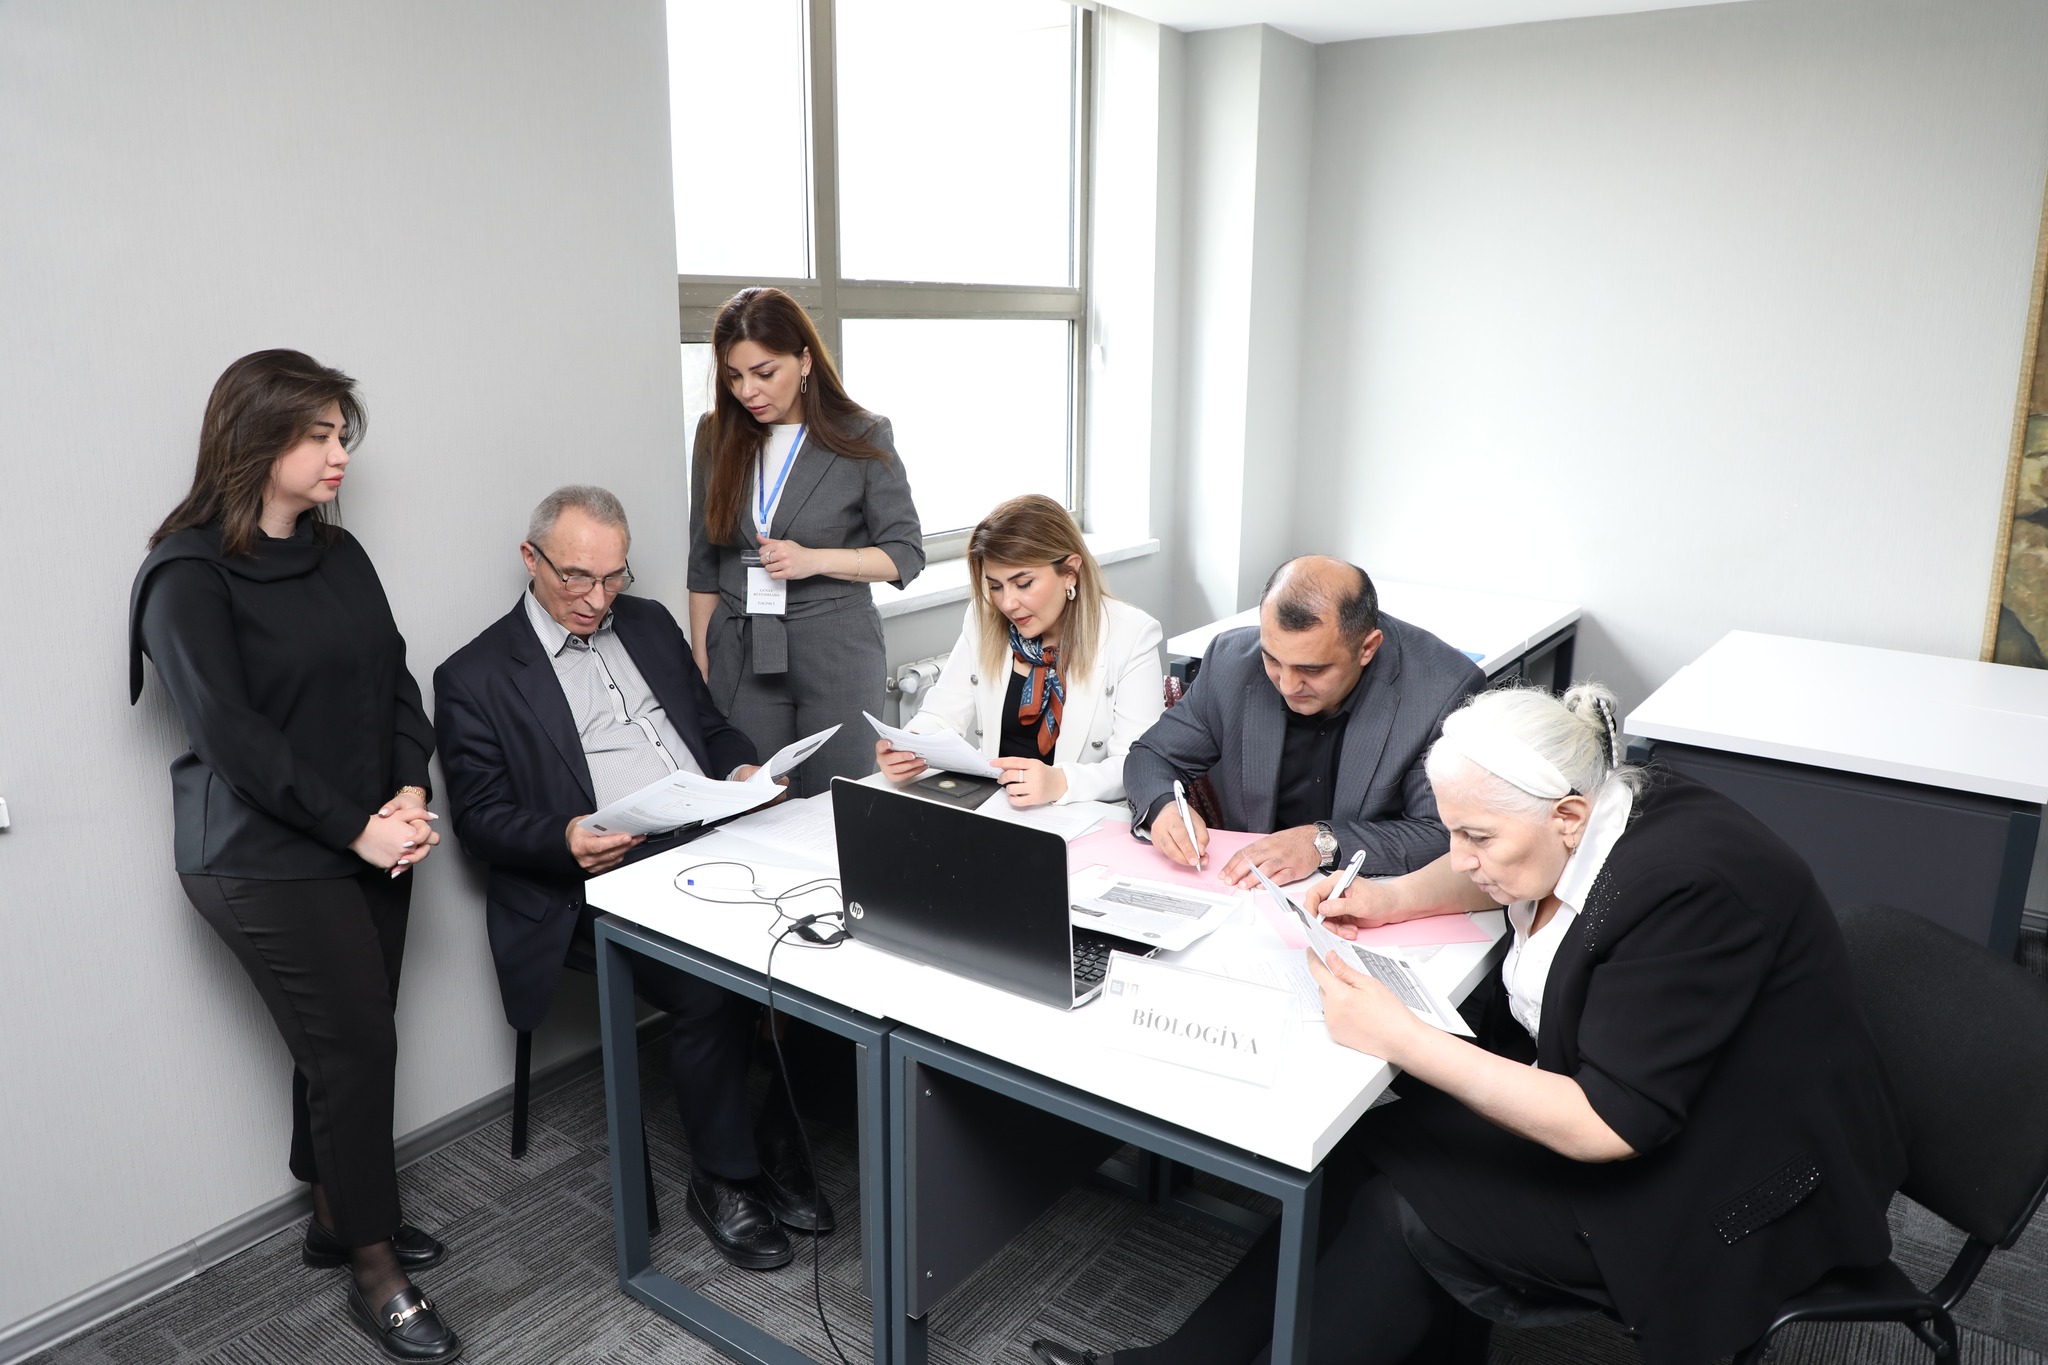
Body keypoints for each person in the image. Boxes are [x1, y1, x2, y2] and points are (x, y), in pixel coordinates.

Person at [1034, 685, 1906, 1365]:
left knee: (1406, 1214)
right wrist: (1388, 897)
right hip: (1646, 1099)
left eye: (1477, 836)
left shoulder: (1687, 888)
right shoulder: (1595, 807)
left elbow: (1612, 1123)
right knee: (1370, 1144)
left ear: (1568, 815)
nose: (1462, 856)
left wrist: (1403, 1036)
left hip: (1733, 1180)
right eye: (1454, 830)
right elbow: (1493, 860)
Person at [129, 350, 461, 1362]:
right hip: (257, 855)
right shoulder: (185, 575)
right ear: (254, 438)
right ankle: (374, 1267)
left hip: (368, 833)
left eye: (339, 434)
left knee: (346, 1041)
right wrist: (361, 829)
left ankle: (333, 1215)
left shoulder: (337, 552)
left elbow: (394, 678)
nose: (337, 454)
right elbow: (235, 738)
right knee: (354, 1048)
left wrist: (409, 791)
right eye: (316, 435)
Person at [433, 485, 834, 1273]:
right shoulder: (474, 675)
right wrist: (564, 837)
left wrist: (742, 769)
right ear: (531, 559)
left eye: (613, 576)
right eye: (577, 577)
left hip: (711, 832)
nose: (597, 598)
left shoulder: (647, 622)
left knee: (829, 931)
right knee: (712, 981)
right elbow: (479, 819)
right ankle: (725, 1176)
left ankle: (780, 1137)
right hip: (599, 874)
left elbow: (710, 728)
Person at [688, 286, 924, 796]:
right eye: (734, 376)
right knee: (754, 801)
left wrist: (813, 560)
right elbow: (703, 562)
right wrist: (701, 658)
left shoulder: (863, 435)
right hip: (741, 649)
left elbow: (905, 553)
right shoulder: (714, 436)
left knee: (836, 802)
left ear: (805, 361)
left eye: (764, 372)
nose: (748, 391)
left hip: (836, 647)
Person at [1122, 556, 1483, 888]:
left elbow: (1440, 834)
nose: (1288, 685)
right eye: (1272, 660)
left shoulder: (1441, 691)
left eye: (1312, 669)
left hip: (1371, 894)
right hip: (1247, 893)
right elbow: (1152, 755)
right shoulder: (1231, 663)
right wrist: (1163, 806)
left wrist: (1320, 843)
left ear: (1367, 648)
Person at [875, 495, 1164, 806]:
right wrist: (910, 746)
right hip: (998, 807)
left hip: (1082, 816)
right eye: (995, 586)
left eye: (1023, 583)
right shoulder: (983, 620)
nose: (1008, 603)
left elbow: (1139, 764)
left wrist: (1061, 782)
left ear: (1070, 572)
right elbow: (941, 715)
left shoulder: (1131, 635)